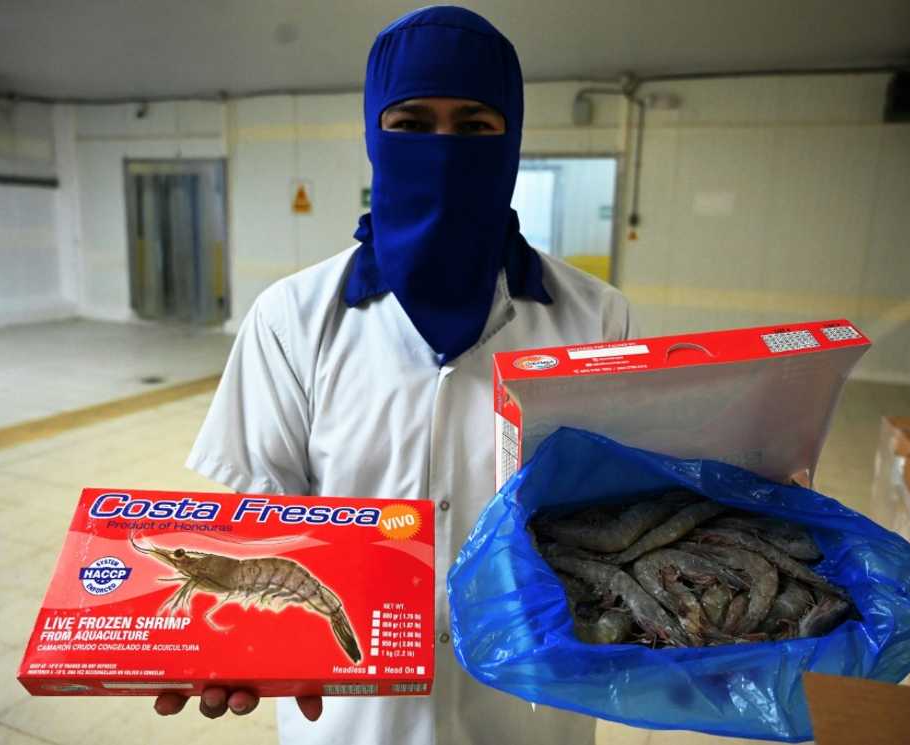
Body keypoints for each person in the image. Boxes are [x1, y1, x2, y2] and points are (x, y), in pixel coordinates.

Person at [155, 6, 636, 744]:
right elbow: (263, 526)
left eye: (475, 126)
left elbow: (619, 520)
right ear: (375, 136)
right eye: (412, 123)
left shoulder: (596, 319)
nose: (444, 150)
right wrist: (226, 639)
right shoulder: (292, 318)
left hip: (528, 714)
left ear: (512, 139)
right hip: (349, 715)